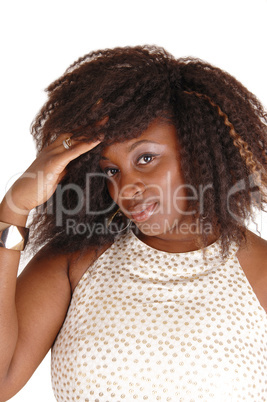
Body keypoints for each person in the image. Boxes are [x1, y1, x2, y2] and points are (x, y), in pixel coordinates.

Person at [0, 45, 266, 402]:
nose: (125, 188)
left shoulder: (259, 271)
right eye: (111, 170)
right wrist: (14, 208)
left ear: (199, 149)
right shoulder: (76, 261)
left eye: (146, 158)